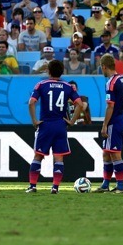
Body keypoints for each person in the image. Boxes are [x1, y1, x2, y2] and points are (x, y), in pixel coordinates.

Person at [26, 60, 84, 194]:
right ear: (62, 71)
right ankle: (55, 187)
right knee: (59, 158)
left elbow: (31, 103)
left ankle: (33, 186)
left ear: (48, 71)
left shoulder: (41, 85)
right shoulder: (68, 86)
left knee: (38, 156)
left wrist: (34, 120)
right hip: (60, 125)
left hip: (45, 125)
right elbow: (80, 104)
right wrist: (71, 121)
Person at [94, 54, 123, 194]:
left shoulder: (111, 82)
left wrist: (104, 125)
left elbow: (110, 106)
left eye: (100, 68)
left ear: (104, 66)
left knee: (115, 154)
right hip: (121, 119)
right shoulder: (122, 79)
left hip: (114, 122)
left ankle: (120, 186)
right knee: (106, 154)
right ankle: (105, 184)